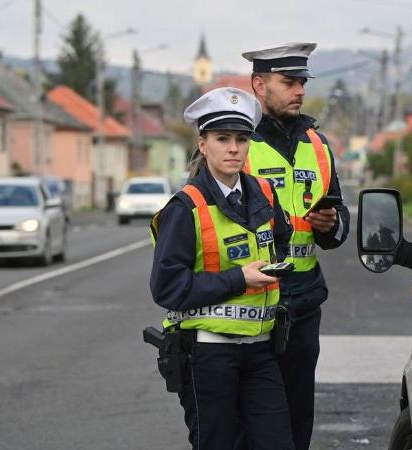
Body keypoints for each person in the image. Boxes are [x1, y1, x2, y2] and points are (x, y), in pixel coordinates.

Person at [149, 87, 295, 450]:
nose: (234, 148)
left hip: (261, 351)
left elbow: (280, 239)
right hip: (208, 356)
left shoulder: (264, 192)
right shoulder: (185, 207)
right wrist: (239, 279)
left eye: (242, 139)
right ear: (203, 144)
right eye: (222, 138)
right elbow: (168, 288)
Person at [240, 42, 350, 450]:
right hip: (252, 305)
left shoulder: (317, 145)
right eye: (288, 82)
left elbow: (338, 215)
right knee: (250, 421)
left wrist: (331, 224)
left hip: (303, 305)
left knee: (297, 418)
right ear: (259, 85)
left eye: (302, 82)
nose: (300, 90)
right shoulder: (237, 144)